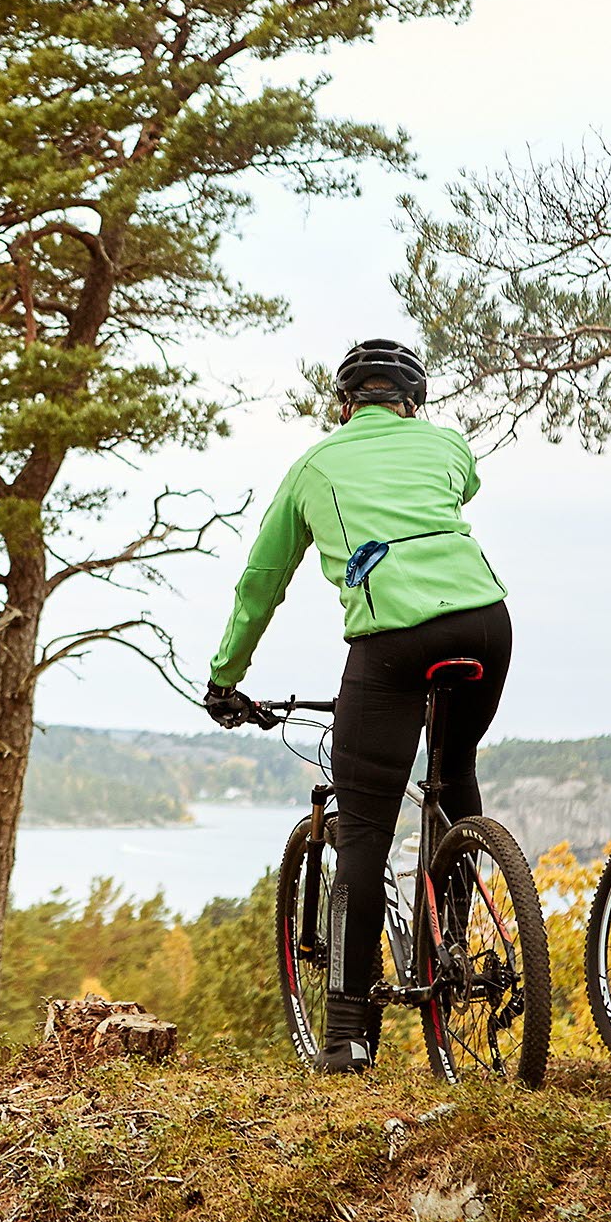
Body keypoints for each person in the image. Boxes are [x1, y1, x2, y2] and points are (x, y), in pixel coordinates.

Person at [203, 339, 510, 1073]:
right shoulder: (444, 443)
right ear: (412, 401)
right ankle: (456, 948)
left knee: (367, 824)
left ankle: (345, 1035)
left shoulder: (315, 464)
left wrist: (226, 675)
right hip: (485, 622)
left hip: (392, 639)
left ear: (344, 406)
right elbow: (462, 485)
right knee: (454, 766)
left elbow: (262, 580)